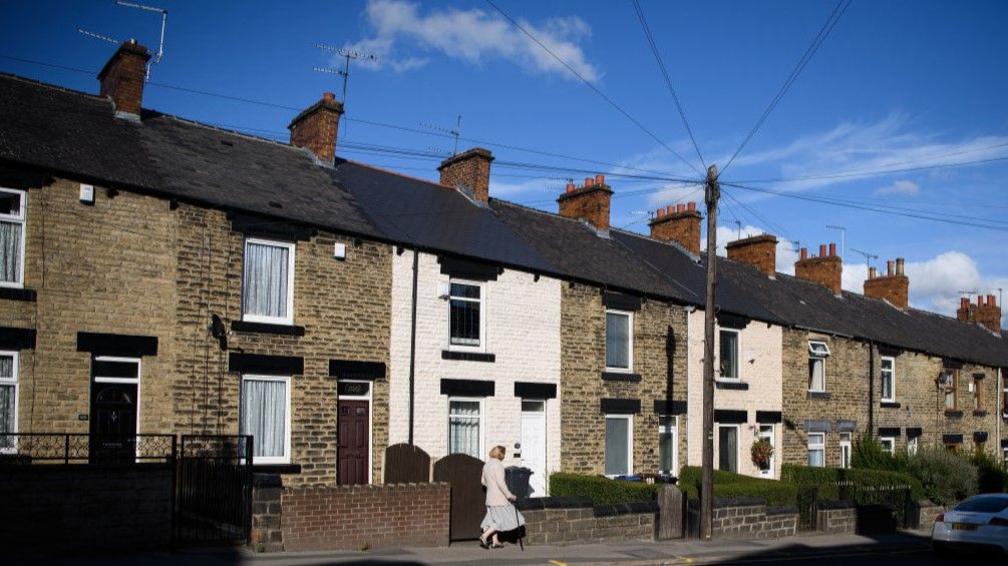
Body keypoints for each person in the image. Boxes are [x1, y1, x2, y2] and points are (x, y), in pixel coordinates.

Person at [479, 445, 525, 549]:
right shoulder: (498, 465)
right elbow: (501, 483)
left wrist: (491, 486)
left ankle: (495, 541)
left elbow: (483, 481)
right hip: (499, 499)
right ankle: (484, 536)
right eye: (504, 453)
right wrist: (510, 495)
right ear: (501, 454)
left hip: (489, 498)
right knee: (501, 521)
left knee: (493, 520)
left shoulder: (486, 465)